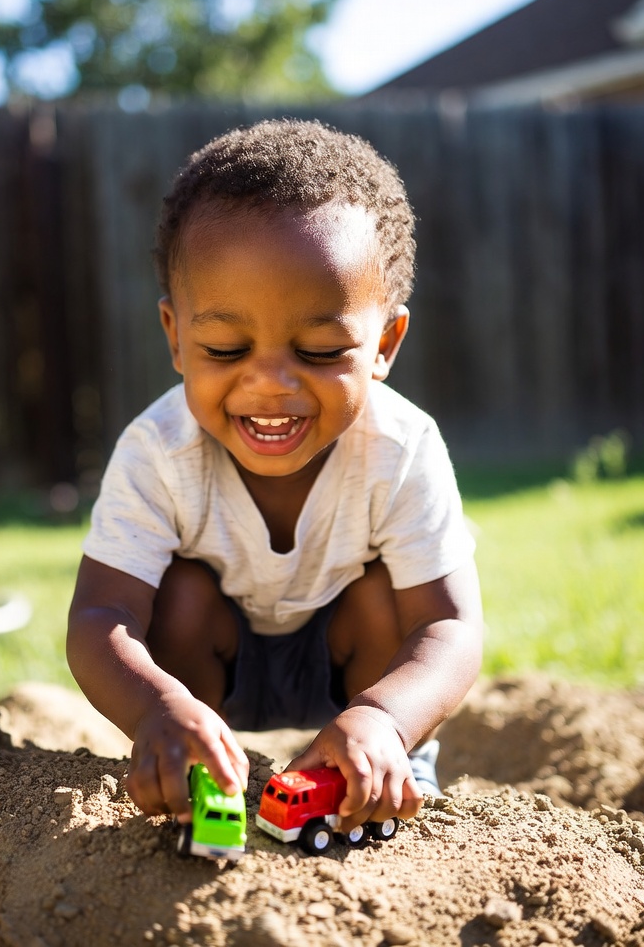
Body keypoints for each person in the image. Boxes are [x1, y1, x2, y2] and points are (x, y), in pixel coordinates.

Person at [67, 118, 484, 834]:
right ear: (175, 335)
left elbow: (448, 624)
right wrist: (157, 710)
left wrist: (384, 718)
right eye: (225, 347)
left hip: (351, 668)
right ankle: (204, 775)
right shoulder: (159, 451)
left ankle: (388, 766)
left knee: (390, 600)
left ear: (384, 343)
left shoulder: (403, 447)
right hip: (209, 671)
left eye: (320, 351)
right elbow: (99, 617)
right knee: (181, 598)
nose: (270, 385)